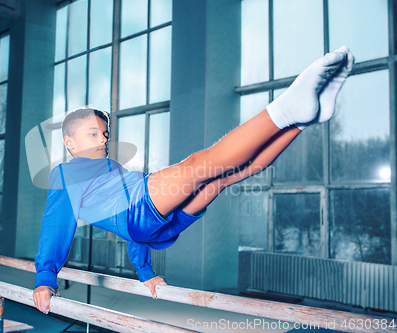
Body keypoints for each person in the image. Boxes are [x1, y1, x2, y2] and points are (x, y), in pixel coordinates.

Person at [32, 46, 355, 314]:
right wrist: (45, 277)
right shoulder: (65, 174)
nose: (103, 139)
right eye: (92, 134)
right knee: (200, 163)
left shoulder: (111, 169)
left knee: (225, 177)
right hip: (142, 212)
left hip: (155, 223)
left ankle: (301, 121)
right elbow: (57, 226)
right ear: (69, 142)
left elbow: (131, 231)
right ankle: (286, 111)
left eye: (105, 133)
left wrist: (146, 273)